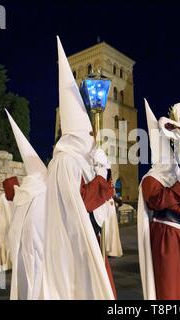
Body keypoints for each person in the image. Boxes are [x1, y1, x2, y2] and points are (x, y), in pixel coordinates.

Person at [41, 37, 116, 300]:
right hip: (72, 239)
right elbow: (84, 199)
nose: (91, 137)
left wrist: (102, 172)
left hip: (83, 234)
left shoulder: (71, 158)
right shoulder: (65, 161)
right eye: (87, 132)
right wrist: (101, 176)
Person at [138, 100, 180, 300]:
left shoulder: (175, 174)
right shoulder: (151, 178)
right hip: (166, 235)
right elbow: (157, 202)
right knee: (170, 283)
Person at [6, 110, 47, 300]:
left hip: (21, 250)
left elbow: (13, 228)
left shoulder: (22, 193)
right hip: (40, 252)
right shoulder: (42, 191)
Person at [0, 177, 18, 273]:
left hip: (11, 225)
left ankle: (10, 263)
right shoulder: (2, 198)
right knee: (3, 244)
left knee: (10, 244)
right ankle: (3, 263)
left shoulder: (16, 197)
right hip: (3, 225)